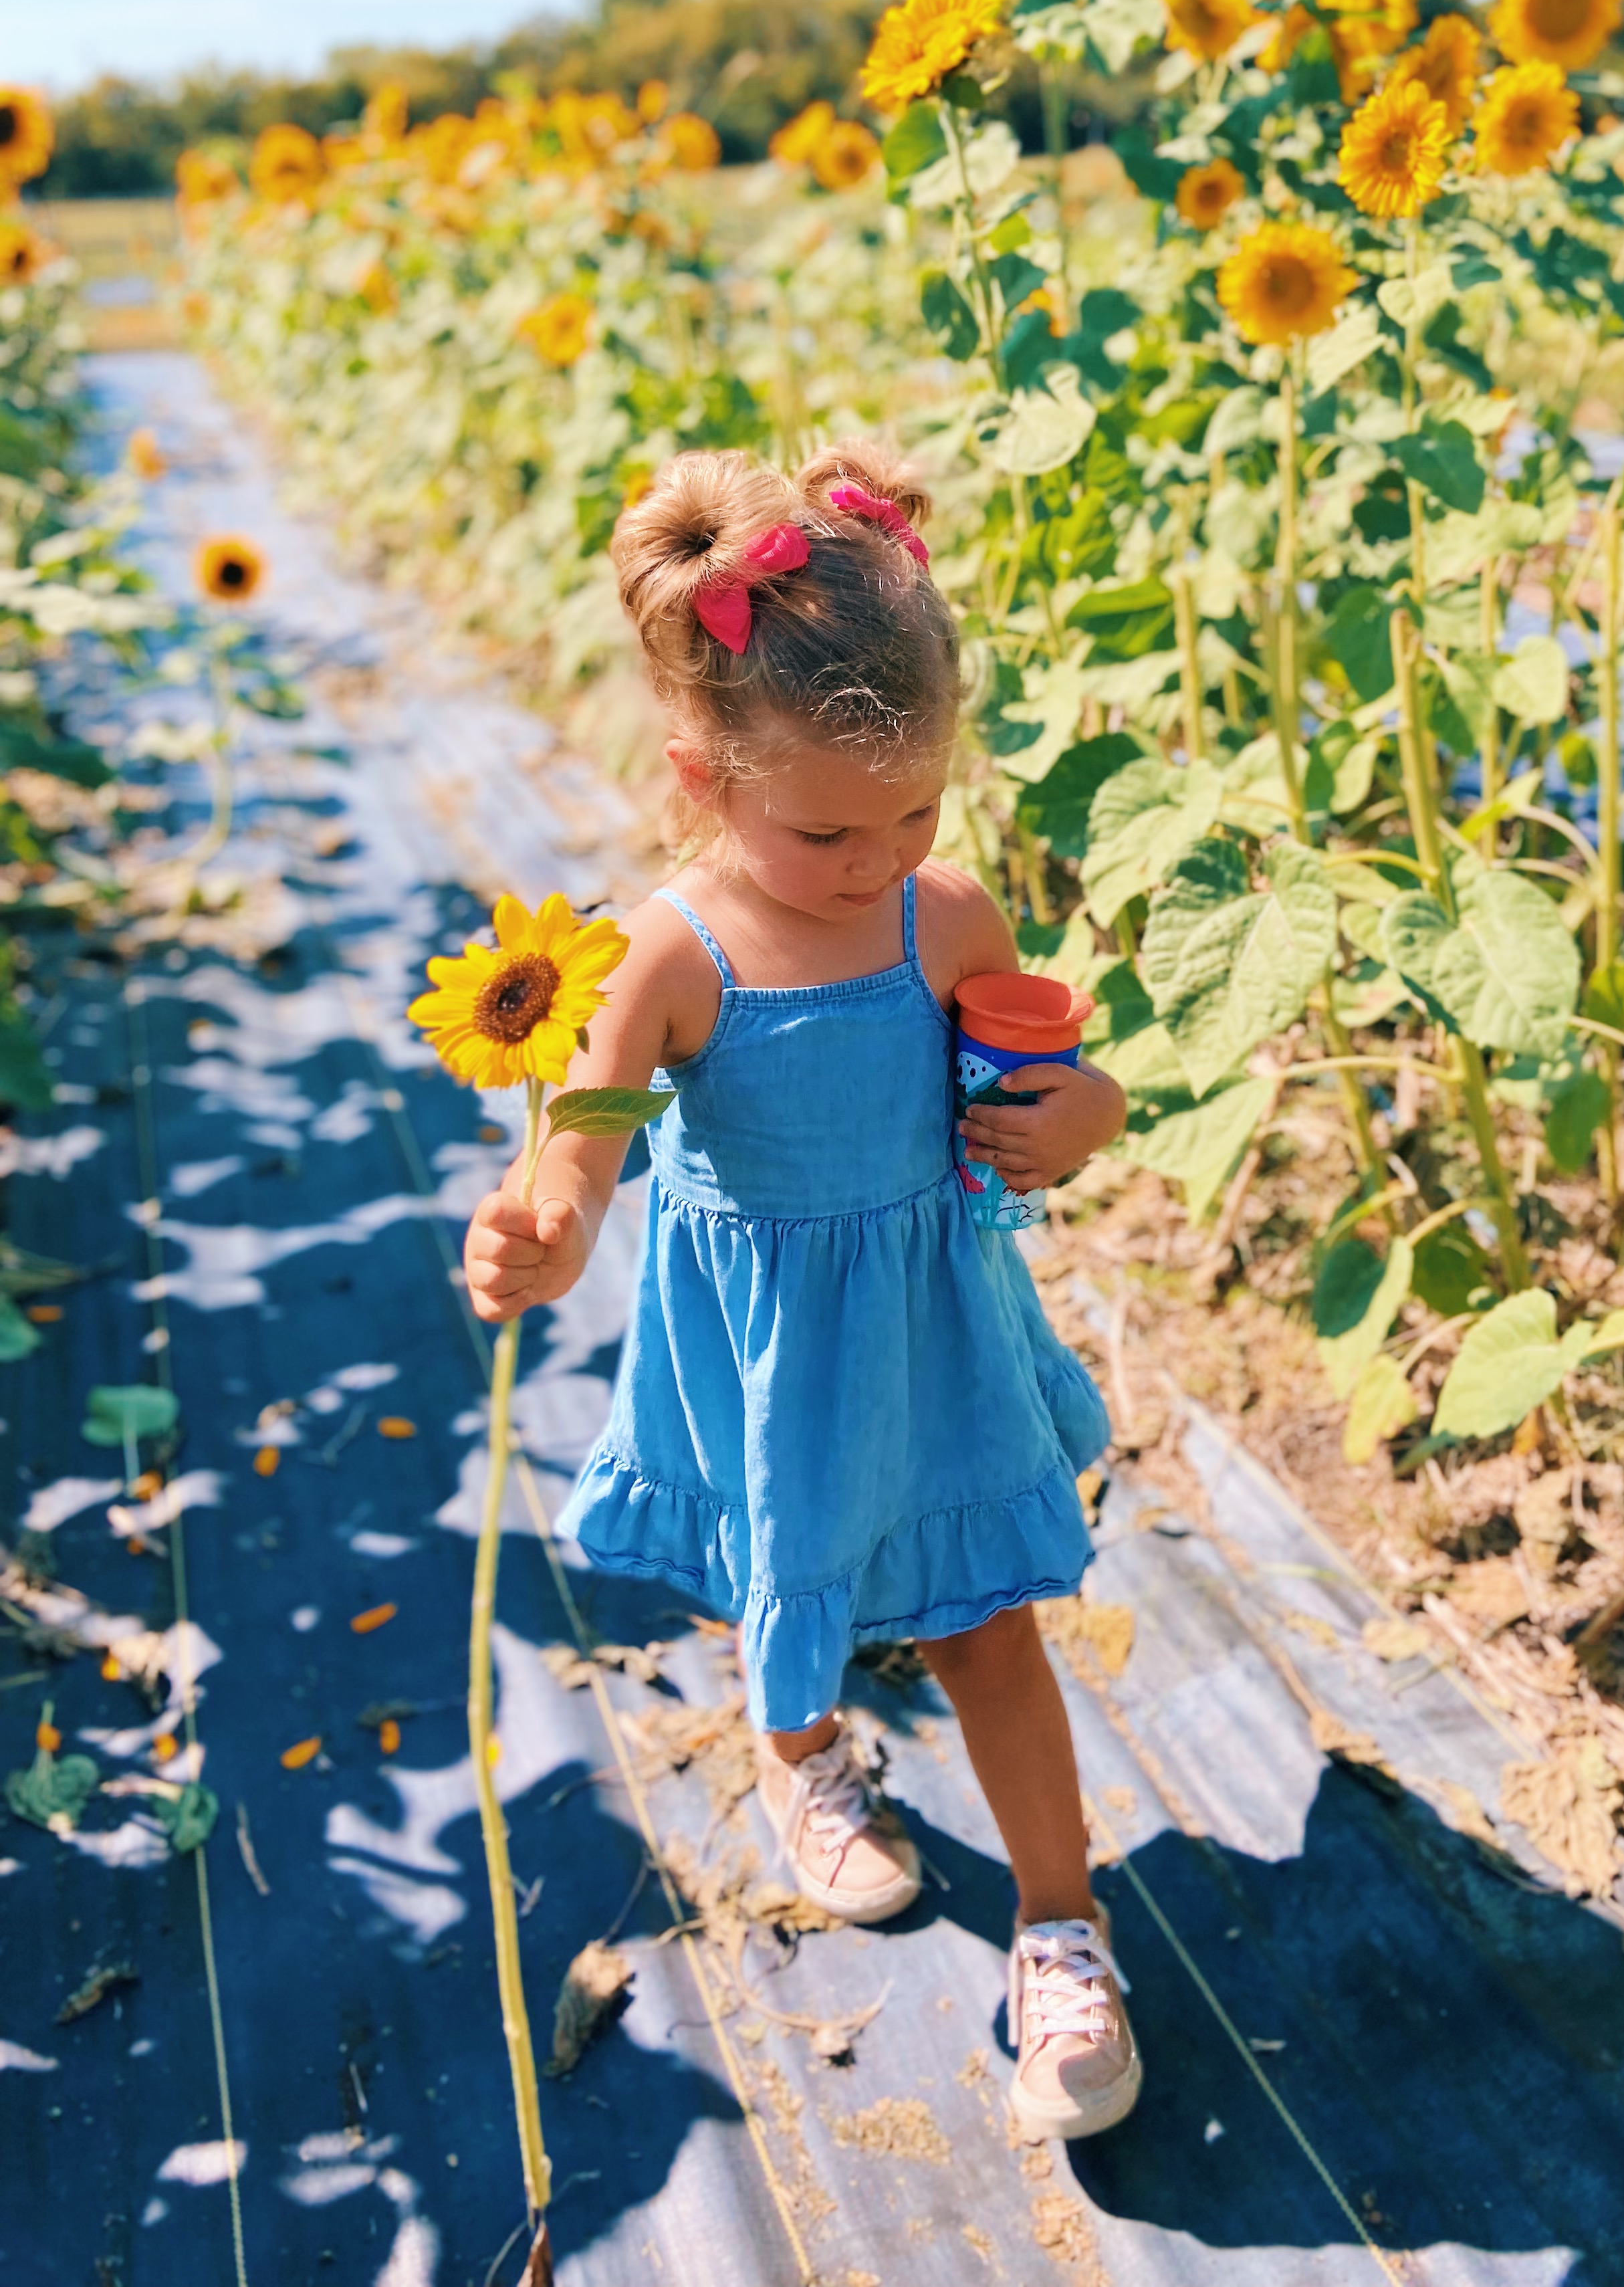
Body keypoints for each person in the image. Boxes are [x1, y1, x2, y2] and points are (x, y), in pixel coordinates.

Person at [461, 441, 1140, 2141]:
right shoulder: (667, 959)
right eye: (831, 825)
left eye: (918, 809)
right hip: (775, 1363)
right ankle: (803, 1758)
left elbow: (1063, 1082)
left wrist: (1082, 1121)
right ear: (702, 779)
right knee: (798, 1582)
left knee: (989, 1619)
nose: (880, 855)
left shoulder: (945, 917)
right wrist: (539, 1221)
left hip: (938, 1336)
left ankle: (1061, 1927)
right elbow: (589, 1144)